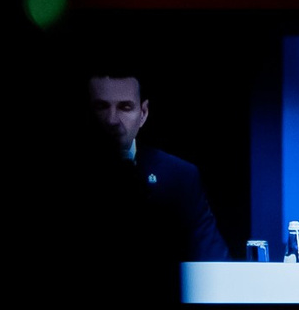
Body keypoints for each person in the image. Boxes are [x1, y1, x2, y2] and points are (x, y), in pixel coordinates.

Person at [89, 73, 228, 263]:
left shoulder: (179, 177)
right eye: (101, 107)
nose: (112, 120)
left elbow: (212, 263)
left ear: (143, 114)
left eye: (125, 107)